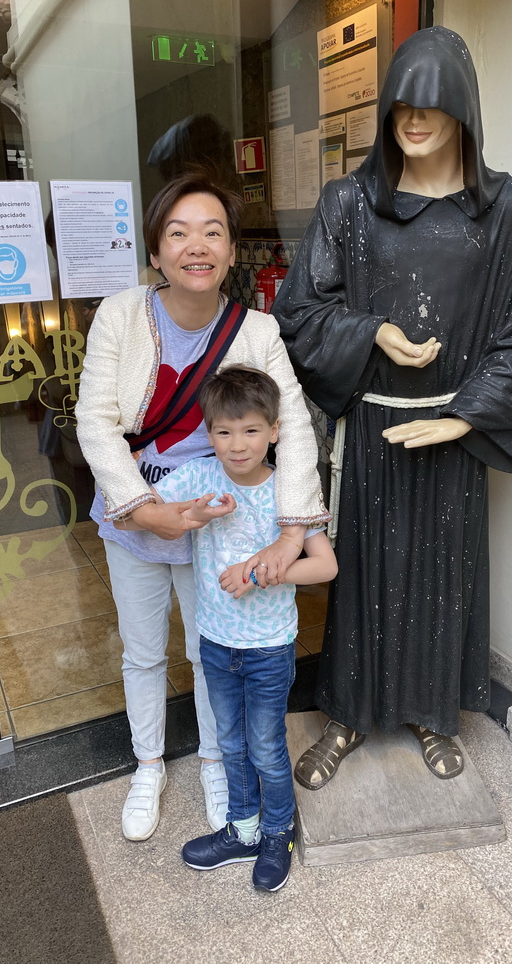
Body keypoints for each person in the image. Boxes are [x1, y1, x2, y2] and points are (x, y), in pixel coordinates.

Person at [272, 27, 512, 788]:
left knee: (442, 576)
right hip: (372, 426)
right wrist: (371, 329)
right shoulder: (349, 204)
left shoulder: (508, 211)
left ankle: (432, 714)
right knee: (363, 576)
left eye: (432, 103)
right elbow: (300, 312)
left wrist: (467, 414)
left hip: (451, 430)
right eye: (401, 103)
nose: (413, 118)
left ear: (464, 108)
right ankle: (345, 715)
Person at [75, 174, 329, 840]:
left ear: (230, 249)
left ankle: (217, 761)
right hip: (137, 520)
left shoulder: (258, 330)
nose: (196, 246)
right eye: (178, 233)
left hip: (212, 525)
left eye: (212, 232)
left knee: (205, 646)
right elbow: (96, 420)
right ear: (155, 251)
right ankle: (149, 766)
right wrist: (139, 507)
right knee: (141, 653)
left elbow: (295, 426)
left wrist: (290, 533)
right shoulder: (121, 315)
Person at [119, 366, 337, 891]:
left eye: (251, 431)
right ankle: (242, 832)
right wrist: (183, 511)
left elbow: (325, 567)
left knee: (264, 746)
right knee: (232, 744)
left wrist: (264, 575)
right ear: (207, 432)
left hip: (268, 649)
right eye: (224, 432)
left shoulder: (290, 487)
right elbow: (138, 512)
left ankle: (277, 832)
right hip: (216, 645)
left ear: (276, 431)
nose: (237, 446)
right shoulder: (200, 476)